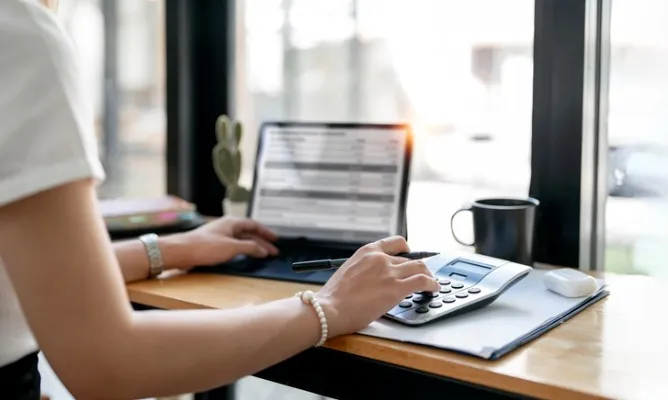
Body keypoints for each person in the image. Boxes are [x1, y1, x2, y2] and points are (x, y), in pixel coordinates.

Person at [0, 1, 440, 398]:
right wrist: (330, 306)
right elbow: (107, 362)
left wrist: (172, 250)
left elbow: (29, 271)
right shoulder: (21, 34)